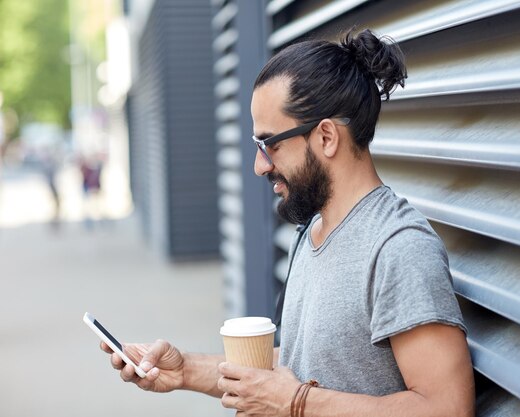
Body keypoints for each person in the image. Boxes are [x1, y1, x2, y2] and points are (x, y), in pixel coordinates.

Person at [100, 29, 475, 416]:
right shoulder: (312, 232)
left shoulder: (398, 247)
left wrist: (295, 403)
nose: (259, 165)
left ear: (326, 136)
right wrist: (185, 370)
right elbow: (299, 362)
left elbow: (447, 408)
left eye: (270, 144)